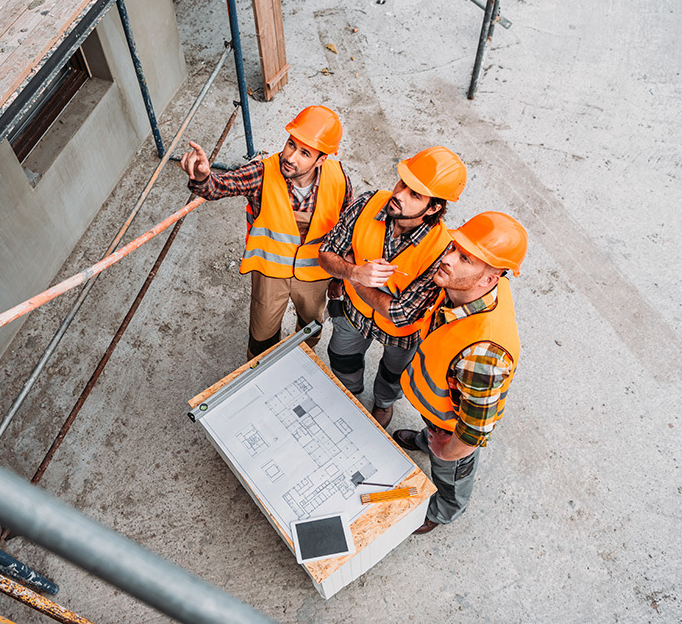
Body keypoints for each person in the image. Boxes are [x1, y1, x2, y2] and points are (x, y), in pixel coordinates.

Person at [392, 212, 527, 535]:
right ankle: (429, 441)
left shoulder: (483, 355)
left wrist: (446, 449)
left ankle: (442, 512)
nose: (448, 259)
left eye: (464, 258)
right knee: (435, 438)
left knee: (451, 471)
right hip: (436, 409)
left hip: (452, 425)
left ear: (488, 279)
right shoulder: (471, 289)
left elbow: (472, 433)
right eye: (454, 248)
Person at [180, 106, 353, 359]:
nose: (291, 157)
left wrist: (339, 280)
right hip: (270, 273)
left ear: (321, 160)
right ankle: (260, 371)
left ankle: (302, 360)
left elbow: (345, 236)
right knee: (262, 336)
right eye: (291, 144)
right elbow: (222, 186)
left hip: (315, 275)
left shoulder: (339, 180)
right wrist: (203, 178)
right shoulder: (263, 172)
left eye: (305, 153)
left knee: (310, 328)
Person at [317, 146, 466, 428]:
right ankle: (350, 394)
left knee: (392, 375)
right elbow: (326, 254)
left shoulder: (442, 251)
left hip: (402, 334)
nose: (398, 194)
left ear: (433, 208)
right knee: (342, 358)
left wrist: (353, 278)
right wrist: (353, 269)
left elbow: (401, 314)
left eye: (415, 194)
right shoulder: (368, 203)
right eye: (403, 184)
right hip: (353, 315)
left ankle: (383, 404)